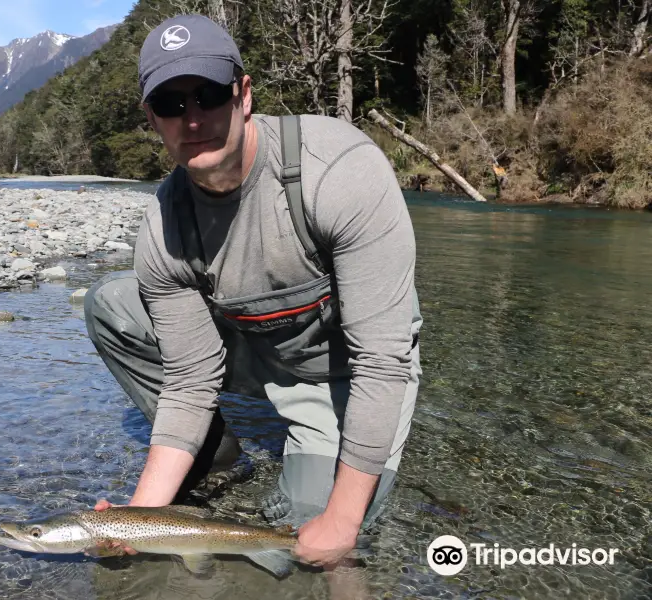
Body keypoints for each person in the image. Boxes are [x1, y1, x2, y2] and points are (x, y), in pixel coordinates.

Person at [84, 13, 422, 568]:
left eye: (208, 95)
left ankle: (313, 443)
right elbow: (191, 376)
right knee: (112, 305)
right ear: (152, 119)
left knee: (303, 536)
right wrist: (136, 518)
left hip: (343, 365)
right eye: (172, 105)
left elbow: (380, 361)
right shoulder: (164, 226)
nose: (193, 120)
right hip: (256, 344)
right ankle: (214, 453)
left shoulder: (338, 171)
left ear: (243, 95)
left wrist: (340, 518)